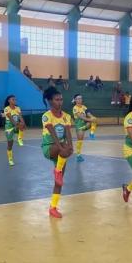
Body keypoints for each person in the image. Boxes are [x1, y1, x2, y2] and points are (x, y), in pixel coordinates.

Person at [41, 87, 73, 218]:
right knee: (65, 147)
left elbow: (68, 133)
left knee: (59, 183)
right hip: (49, 147)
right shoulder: (46, 116)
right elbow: (52, 133)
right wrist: (62, 147)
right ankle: (57, 171)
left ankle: (53, 207)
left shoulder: (66, 116)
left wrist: (70, 147)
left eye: (61, 99)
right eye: (57, 99)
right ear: (50, 101)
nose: (60, 102)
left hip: (61, 151)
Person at [72, 94, 97, 162]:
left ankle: (91, 134)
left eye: (81, 98)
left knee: (94, 119)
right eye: (78, 98)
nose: (80, 99)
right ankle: (78, 155)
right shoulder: (75, 108)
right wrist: (90, 120)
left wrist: (92, 117)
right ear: (75, 100)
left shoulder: (84, 107)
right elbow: (80, 117)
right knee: (80, 140)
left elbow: (88, 114)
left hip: (85, 123)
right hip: (79, 125)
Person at [3, 95, 25, 167]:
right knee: (10, 144)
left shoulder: (18, 108)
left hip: (16, 124)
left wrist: (23, 122)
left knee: (21, 124)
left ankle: (20, 139)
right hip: (9, 126)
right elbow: (10, 118)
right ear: (9, 100)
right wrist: (16, 124)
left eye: (15, 99)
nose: (14, 100)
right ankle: (10, 159)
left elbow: (20, 117)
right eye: (13, 99)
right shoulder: (6, 109)